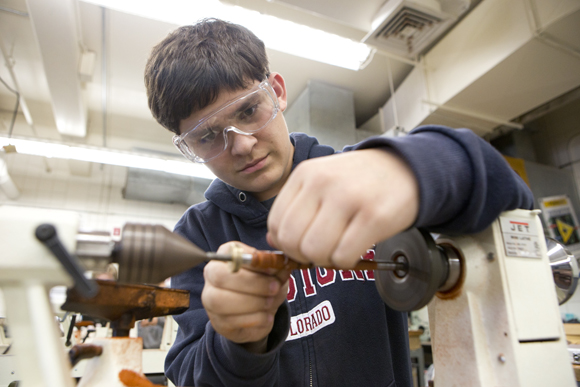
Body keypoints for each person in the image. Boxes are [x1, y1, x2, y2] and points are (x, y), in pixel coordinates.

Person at [144, 18, 533, 387]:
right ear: (187, 147)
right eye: (208, 136)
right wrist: (238, 342)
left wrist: (408, 170)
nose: (242, 144)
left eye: (248, 110)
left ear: (277, 92)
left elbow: (515, 201)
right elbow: (190, 374)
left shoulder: (361, 177)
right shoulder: (198, 236)